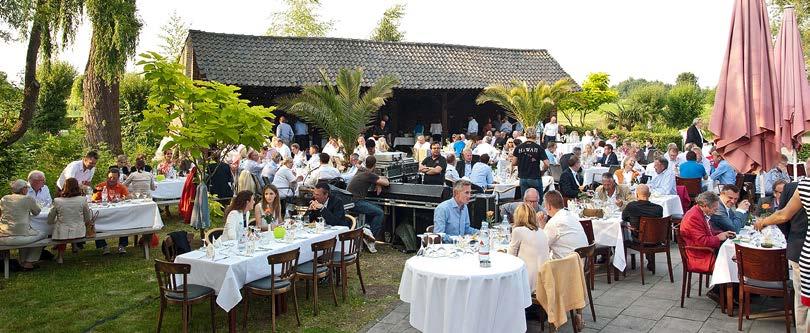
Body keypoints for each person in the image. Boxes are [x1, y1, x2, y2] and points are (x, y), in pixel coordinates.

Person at [754, 170, 809, 331]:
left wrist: (763, 222)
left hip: (804, 252)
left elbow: (783, 215)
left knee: (804, 301)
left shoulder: (804, 186)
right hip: (802, 251)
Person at [680, 192, 735, 299]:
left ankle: (732, 293)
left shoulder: (700, 212)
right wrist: (719, 237)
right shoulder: (694, 217)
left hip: (703, 249)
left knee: (733, 258)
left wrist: (721, 234)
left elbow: (707, 231)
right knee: (730, 262)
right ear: (705, 205)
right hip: (698, 254)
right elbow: (702, 241)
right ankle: (720, 293)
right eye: (714, 208)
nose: (716, 211)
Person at [0, 180, 44, 270]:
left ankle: (23, 261)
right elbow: (37, 212)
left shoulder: (4, 198)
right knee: (42, 235)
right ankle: (28, 263)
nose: (28, 189)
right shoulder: (27, 199)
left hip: (3, 234)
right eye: (27, 187)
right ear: (23, 189)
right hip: (18, 236)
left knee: (26, 234)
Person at [47, 178, 92, 264]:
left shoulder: (57, 201)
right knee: (64, 227)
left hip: (62, 233)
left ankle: (60, 256)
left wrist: (57, 220)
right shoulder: (82, 199)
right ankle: (73, 247)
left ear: (64, 187)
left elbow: (50, 219)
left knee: (61, 227)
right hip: (79, 232)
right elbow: (87, 218)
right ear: (77, 187)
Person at [508, 203, 550, 294]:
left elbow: (510, 257)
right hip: (544, 279)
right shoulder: (541, 231)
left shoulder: (518, 231)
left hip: (529, 282)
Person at [347, 156, 389, 246]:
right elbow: (386, 183)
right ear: (375, 165)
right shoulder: (369, 174)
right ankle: (370, 239)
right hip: (355, 202)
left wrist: (377, 182)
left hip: (350, 200)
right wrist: (379, 181)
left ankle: (367, 230)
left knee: (377, 208)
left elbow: (373, 177)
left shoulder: (361, 170)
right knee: (380, 213)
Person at [537, 190, 588, 259]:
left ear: (548, 206)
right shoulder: (571, 215)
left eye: (545, 205)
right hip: (582, 261)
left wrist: (541, 224)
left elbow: (542, 245)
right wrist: (543, 224)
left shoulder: (554, 222)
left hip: (568, 265)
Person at [91, 169, 130, 254]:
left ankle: (122, 245)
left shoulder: (121, 186)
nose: (112, 180)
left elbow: (128, 196)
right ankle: (104, 246)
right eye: (110, 177)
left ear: (118, 178)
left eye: (114, 178)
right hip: (103, 213)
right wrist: (99, 201)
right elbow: (93, 200)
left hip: (118, 213)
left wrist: (121, 198)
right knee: (96, 221)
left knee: (125, 220)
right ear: (107, 177)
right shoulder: (100, 186)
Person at [512, 127, 549, 201]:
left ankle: (527, 212)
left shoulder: (519, 148)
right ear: (535, 135)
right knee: (538, 200)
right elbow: (547, 163)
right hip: (535, 176)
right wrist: (543, 171)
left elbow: (514, 163)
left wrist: (522, 161)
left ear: (526, 135)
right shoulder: (538, 148)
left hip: (523, 177)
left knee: (525, 200)